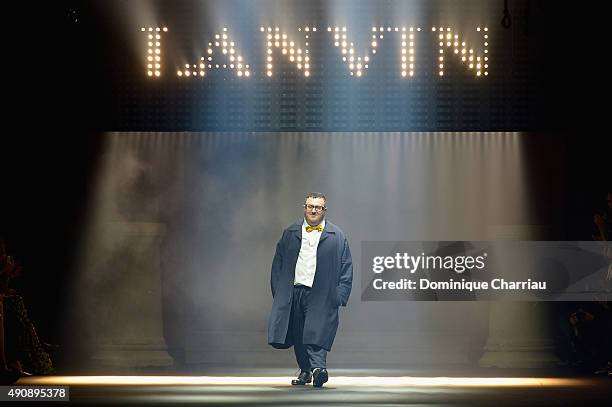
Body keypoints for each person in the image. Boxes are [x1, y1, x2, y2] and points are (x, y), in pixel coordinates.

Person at [267, 192, 353, 387]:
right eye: (310, 206)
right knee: (298, 334)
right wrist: (279, 292)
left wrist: (340, 295)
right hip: (294, 291)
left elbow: (346, 266)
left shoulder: (336, 236)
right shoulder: (290, 233)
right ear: (304, 208)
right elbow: (278, 264)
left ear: (324, 210)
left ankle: (319, 368)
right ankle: (306, 371)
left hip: (321, 293)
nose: (314, 210)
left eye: (318, 207)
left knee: (316, 331)